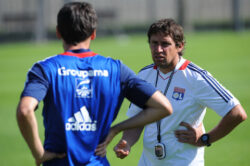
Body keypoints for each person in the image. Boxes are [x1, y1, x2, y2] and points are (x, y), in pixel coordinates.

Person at [16, 2, 173, 166]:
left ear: (58, 32)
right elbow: (164, 107)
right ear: (93, 34)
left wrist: (39, 153)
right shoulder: (116, 70)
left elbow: (25, 110)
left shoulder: (45, 69)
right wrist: (115, 129)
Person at [111, 18, 247, 166]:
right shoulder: (144, 75)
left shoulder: (196, 77)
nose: (158, 50)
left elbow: (237, 113)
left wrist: (206, 139)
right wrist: (127, 142)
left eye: (165, 44)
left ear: (179, 46)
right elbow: (137, 119)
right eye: (154, 43)